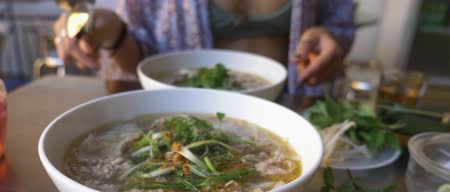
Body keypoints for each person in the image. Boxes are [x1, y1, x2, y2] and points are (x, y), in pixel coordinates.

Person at [54, 0, 354, 95]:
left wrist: (328, 43)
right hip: (178, 117)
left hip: (288, 109)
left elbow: (336, 30)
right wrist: (113, 32)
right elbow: (140, 62)